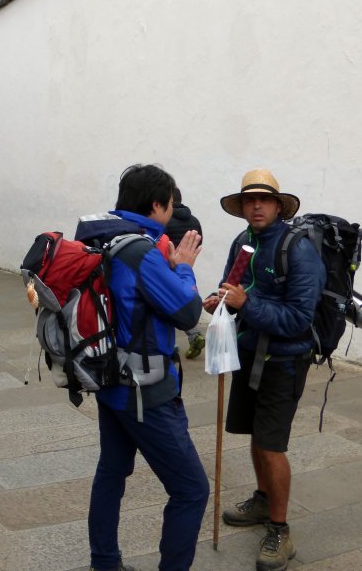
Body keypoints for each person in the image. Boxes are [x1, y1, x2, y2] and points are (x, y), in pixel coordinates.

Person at [86, 164, 208, 571]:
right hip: (144, 392)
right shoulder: (141, 252)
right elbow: (188, 312)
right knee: (191, 489)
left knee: (111, 473)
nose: (172, 213)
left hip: (110, 380)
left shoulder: (106, 239)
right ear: (156, 205)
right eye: (170, 205)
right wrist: (184, 267)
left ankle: (105, 562)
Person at [203, 169, 325, 571]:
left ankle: (280, 530)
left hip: (285, 361)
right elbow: (231, 286)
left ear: (278, 206)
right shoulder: (243, 241)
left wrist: (246, 304)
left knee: (272, 445)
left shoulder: (298, 250)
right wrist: (220, 300)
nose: (256, 206)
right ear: (242, 207)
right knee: (255, 435)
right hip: (248, 351)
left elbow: (299, 319)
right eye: (249, 200)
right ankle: (262, 500)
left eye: (264, 200)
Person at [165, 187, 205, 359]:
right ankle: (194, 335)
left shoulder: (164, 220)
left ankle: (172, 344)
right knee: (184, 299)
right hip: (186, 266)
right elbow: (199, 241)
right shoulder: (194, 220)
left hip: (167, 266)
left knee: (166, 303)